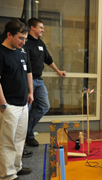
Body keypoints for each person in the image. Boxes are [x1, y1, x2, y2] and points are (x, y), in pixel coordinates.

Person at [0, 19, 33, 180]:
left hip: (22, 103)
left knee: (19, 139)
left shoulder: (20, 52)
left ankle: (16, 167)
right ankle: (7, 175)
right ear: (9, 34)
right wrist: (3, 104)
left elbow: (24, 75)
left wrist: (29, 93)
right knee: (7, 141)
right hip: (7, 106)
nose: (23, 42)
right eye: (20, 38)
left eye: (25, 39)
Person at [25, 18, 66, 147]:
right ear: (32, 28)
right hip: (27, 81)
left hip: (39, 81)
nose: (43, 30)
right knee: (26, 110)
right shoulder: (25, 43)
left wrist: (58, 71)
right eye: (41, 27)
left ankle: (26, 131)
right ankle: (28, 136)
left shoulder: (41, 44)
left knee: (44, 106)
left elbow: (48, 59)